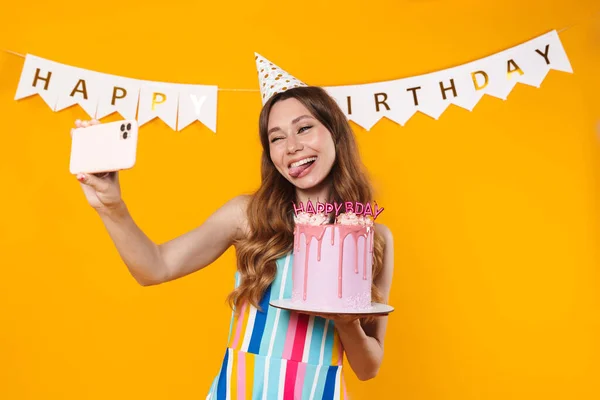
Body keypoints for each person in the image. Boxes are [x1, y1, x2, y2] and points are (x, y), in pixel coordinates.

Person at [72, 86, 394, 399]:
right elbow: (155, 267)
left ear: (335, 133)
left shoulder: (373, 238)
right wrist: (111, 207)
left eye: (304, 128)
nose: (291, 147)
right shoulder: (249, 216)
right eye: (277, 138)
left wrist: (347, 323)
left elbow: (368, 368)